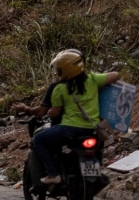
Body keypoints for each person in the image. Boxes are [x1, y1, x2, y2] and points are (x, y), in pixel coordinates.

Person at [31, 49, 119, 185]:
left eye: (59, 70)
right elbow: (115, 75)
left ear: (65, 70)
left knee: (38, 140)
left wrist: (49, 113)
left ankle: (54, 174)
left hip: (70, 128)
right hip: (92, 128)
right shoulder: (92, 80)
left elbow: (55, 113)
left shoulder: (59, 88)